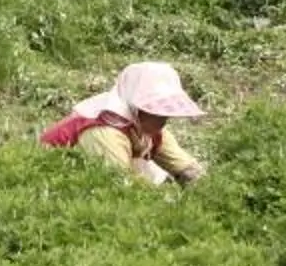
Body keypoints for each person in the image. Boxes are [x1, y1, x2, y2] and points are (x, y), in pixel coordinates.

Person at [39, 61, 207, 185]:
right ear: (134, 106)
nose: (162, 119)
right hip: (56, 181)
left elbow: (187, 168)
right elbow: (119, 183)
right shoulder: (105, 130)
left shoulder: (150, 129)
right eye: (154, 110)